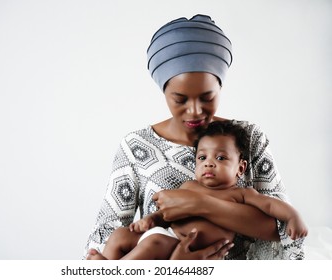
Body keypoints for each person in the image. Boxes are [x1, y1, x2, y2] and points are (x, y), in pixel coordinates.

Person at [84, 14, 306, 259]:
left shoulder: (248, 138)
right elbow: (104, 234)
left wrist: (200, 204)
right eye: (180, 99)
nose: (195, 111)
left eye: (207, 97)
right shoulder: (136, 147)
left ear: (220, 87)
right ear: (163, 91)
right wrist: (171, 268)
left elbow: (281, 229)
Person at [86, 121, 308, 260]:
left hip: (177, 245)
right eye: (202, 158)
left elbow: (270, 205)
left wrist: (293, 216)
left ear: (240, 168)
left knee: (151, 246)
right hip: (165, 234)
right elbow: (168, 213)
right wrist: (150, 220)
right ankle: (106, 264)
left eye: (220, 158)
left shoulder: (241, 194)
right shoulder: (189, 187)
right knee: (119, 236)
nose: (209, 163)